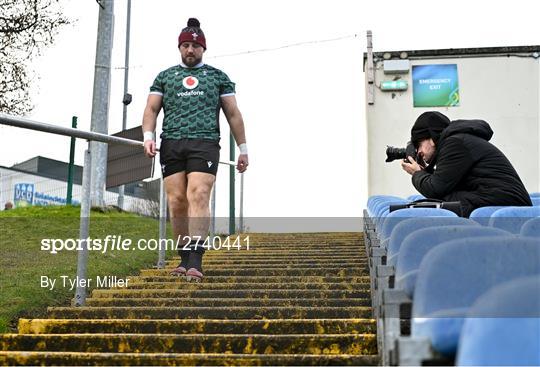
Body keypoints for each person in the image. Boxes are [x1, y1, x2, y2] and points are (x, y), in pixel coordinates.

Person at [142, 18, 248, 282]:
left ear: (203, 49)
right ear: (180, 47)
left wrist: (243, 149)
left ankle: (196, 261)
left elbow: (233, 114)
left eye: (195, 46)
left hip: (205, 142)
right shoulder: (165, 77)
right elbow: (151, 109)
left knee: (198, 193)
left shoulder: (217, 77)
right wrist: (148, 136)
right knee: (177, 201)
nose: (190, 50)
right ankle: (183, 257)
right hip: (172, 143)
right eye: (186, 45)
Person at [401, 111, 531, 217]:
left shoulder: (454, 144)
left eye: (419, 145)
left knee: (444, 205)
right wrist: (425, 173)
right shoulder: (457, 141)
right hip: (502, 201)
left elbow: (435, 189)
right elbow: (445, 184)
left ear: (431, 139)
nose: (419, 152)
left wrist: (417, 173)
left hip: (508, 207)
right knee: (445, 202)